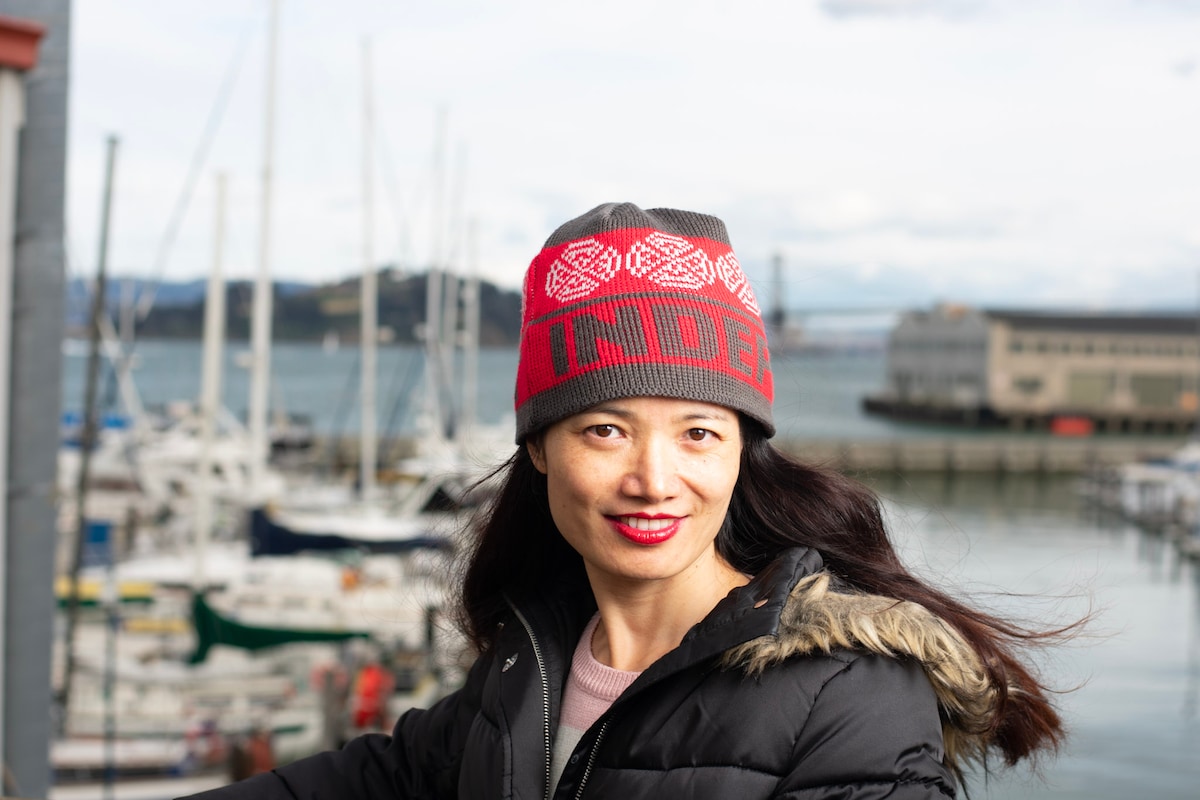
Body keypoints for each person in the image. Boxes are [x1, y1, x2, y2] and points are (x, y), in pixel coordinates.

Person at [183, 202, 1069, 799]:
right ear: (539, 446)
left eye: (699, 433)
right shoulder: (530, 664)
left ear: (742, 452)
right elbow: (376, 778)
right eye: (605, 430)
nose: (653, 478)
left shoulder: (849, 697)